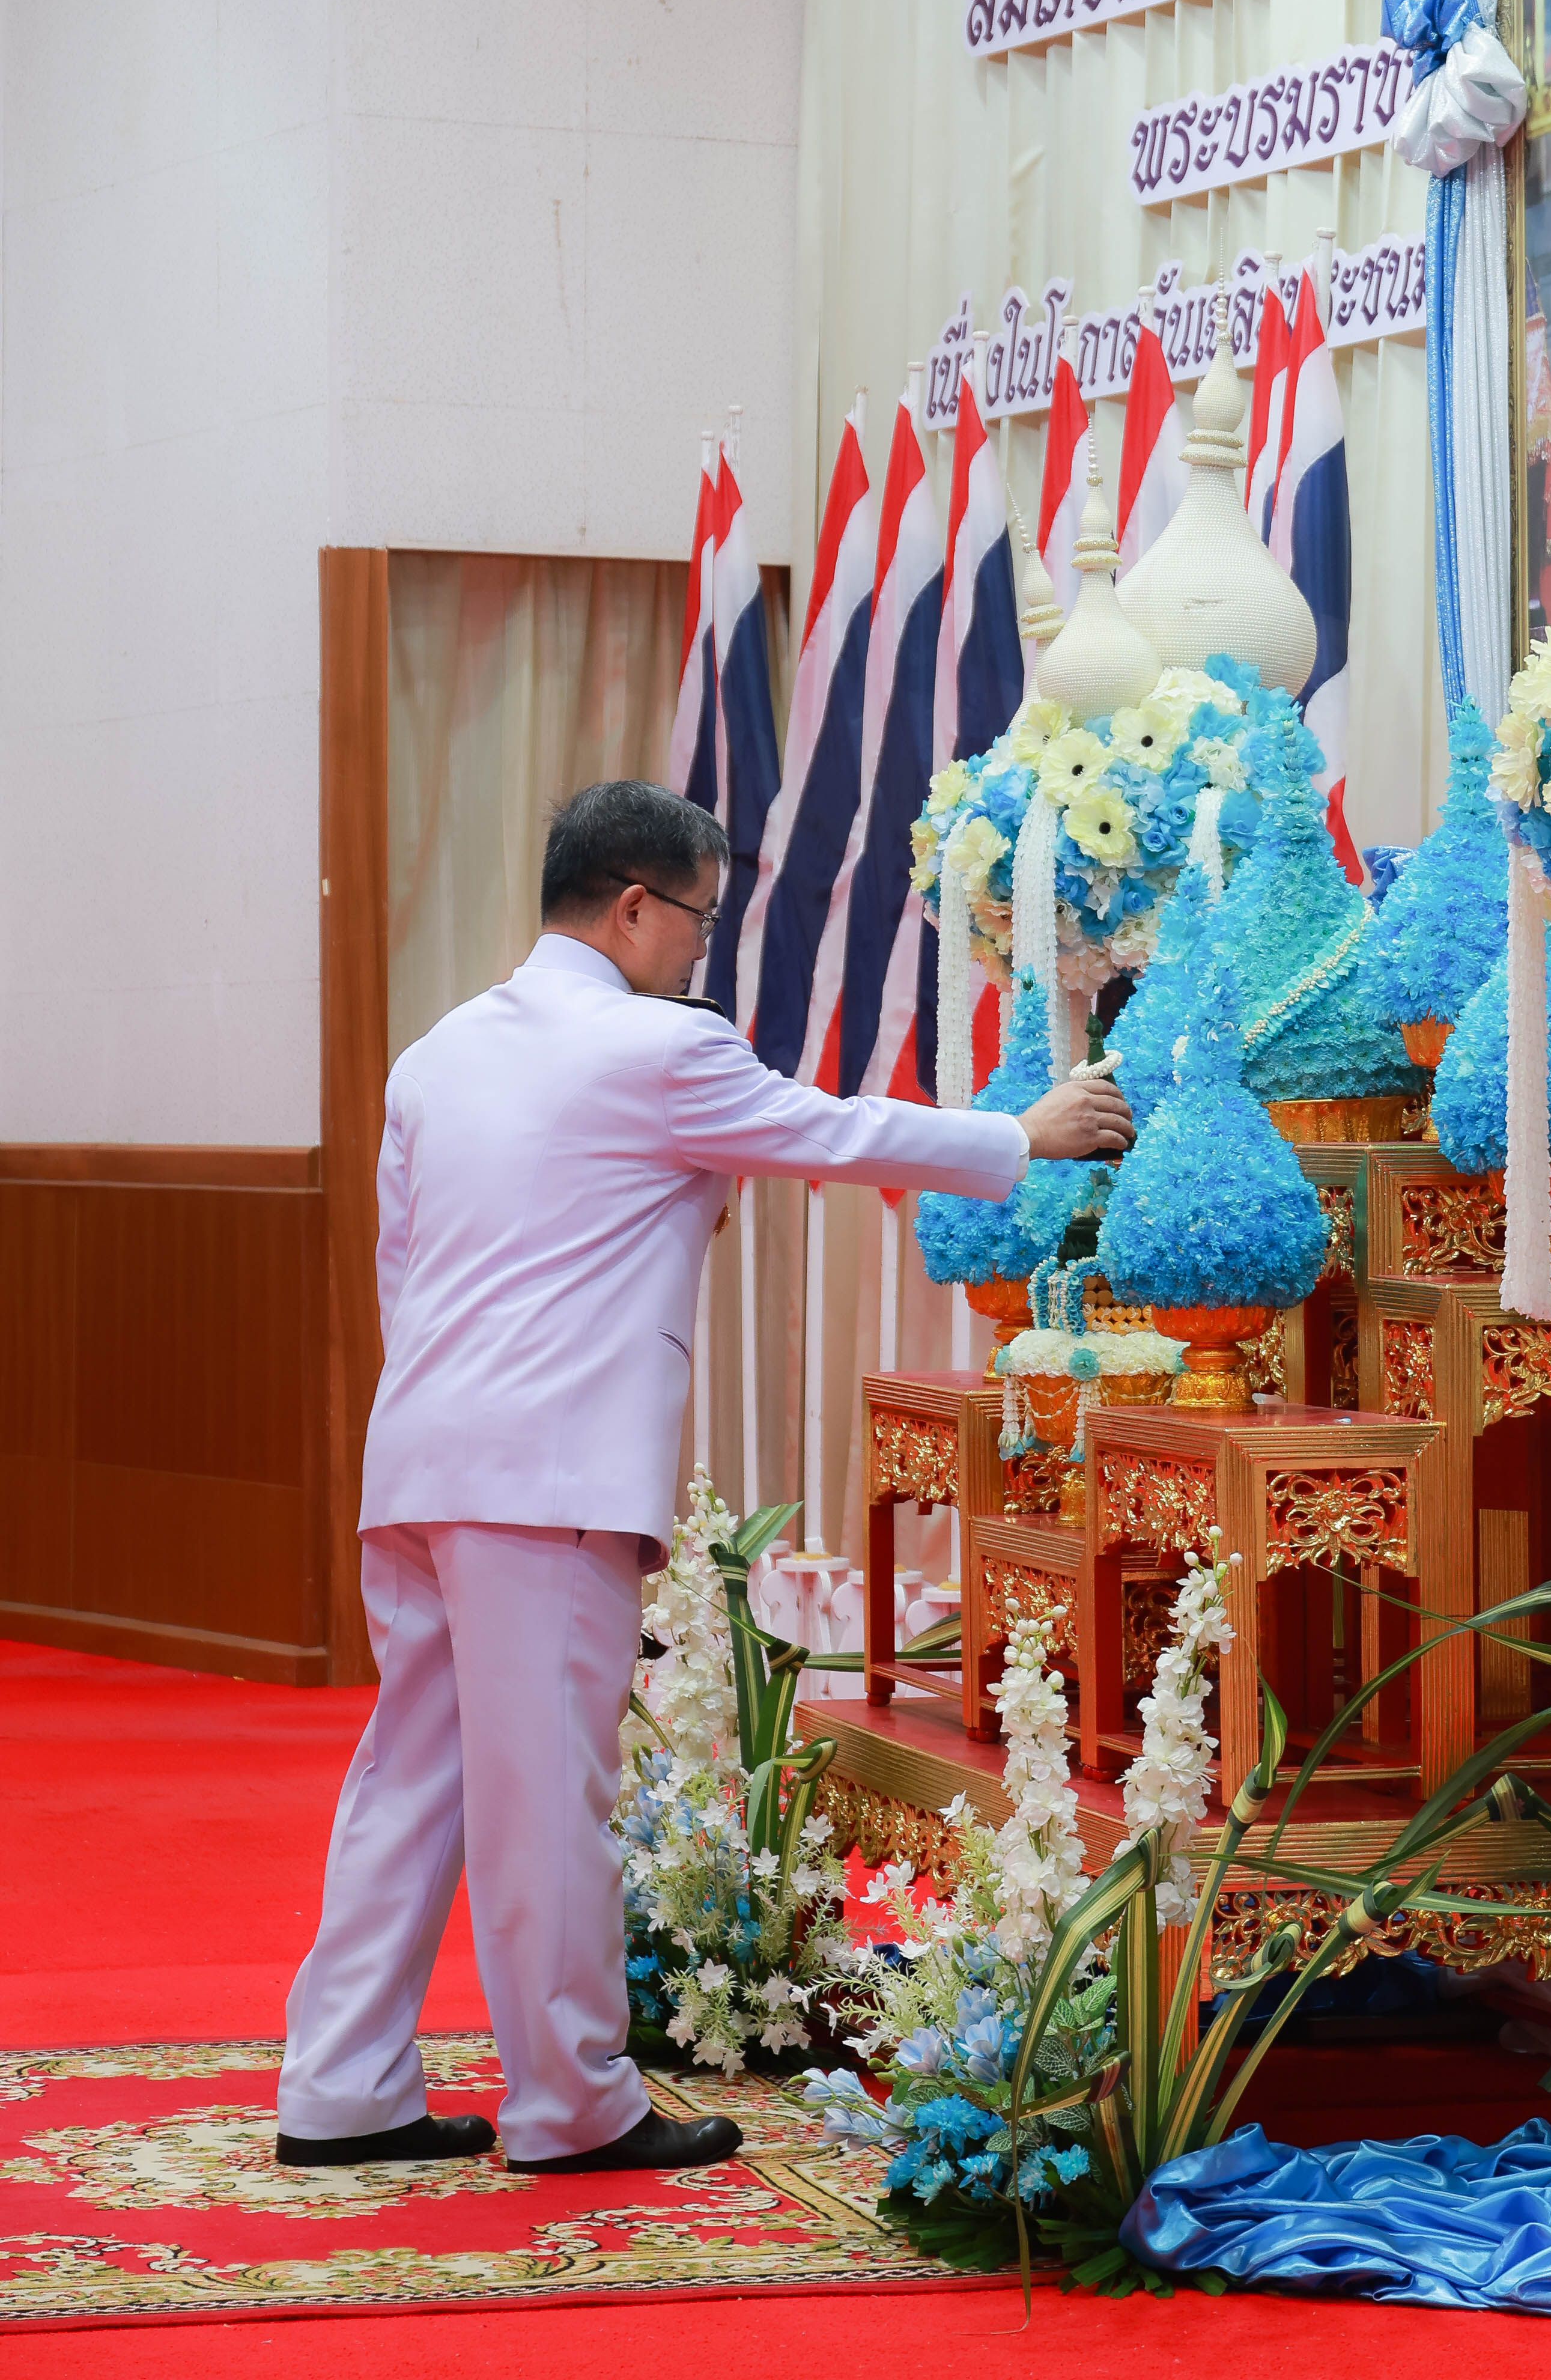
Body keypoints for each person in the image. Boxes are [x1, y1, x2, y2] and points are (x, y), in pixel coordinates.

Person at [276, 776, 1129, 2177]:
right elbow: (830, 1132)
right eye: (700, 920)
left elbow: (403, 1269)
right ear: (633, 906)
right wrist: (1022, 1136)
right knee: (548, 1797)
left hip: (423, 1456)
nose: (699, 949)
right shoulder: (659, 1046)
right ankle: (572, 2106)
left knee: (409, 1776)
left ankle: (341, 2085)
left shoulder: (437, 1052)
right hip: (548, 1477)